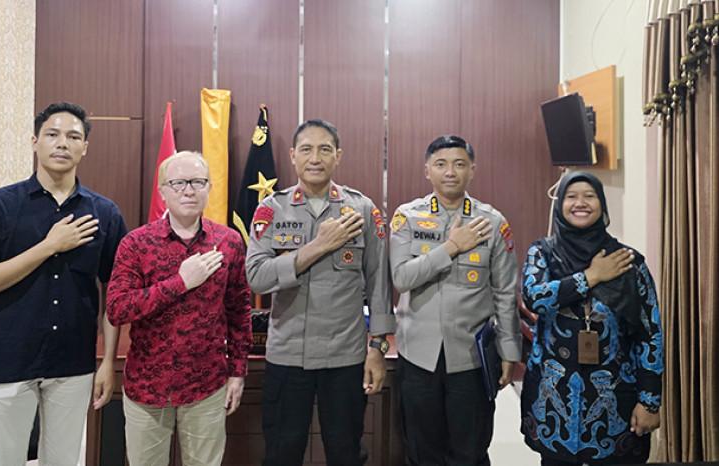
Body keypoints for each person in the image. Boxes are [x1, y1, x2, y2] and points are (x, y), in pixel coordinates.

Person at [0, 101, 127, 465]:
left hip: (73, 364)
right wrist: (49, 247)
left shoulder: (104, 213)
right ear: (35, 142)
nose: (62, 143)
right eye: (52, 134)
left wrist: (108, 361)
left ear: (85, 147)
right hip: (8, 361)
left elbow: (115, 293)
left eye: (73, 137)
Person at [245, 119, 395, 466]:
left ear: (338, 156)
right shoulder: (272, 209)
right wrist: (317, 247)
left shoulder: (362, 209)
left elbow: (379, 284)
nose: (315, 158)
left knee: (346, 454)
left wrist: (377, 348)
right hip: (288, 355)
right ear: (292, 156)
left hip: (344, 357)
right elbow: (256, 277)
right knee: (282, 454)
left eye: (325, 149)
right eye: (307, 149)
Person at [106, 151, 252, 466]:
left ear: (209, 187)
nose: (188, 190)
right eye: (178, 183)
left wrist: (237, 373)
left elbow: (240, 313)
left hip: (206, 386)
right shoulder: (136, 244)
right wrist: (181, 282)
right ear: (162, 190)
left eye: (197, 182)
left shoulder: (228, 242)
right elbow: (117, 309)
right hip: (147, 388)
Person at [389, 134, 521, 466]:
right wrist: (451, 248)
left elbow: (505, 292)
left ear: (472, 170)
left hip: (471, 358)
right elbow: (401, 278)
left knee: (470, 451)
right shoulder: (408, 217)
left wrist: (509, 351)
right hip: (418, 356)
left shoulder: (492, 222)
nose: (450, 172)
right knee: (422, 451)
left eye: (459, 164)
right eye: (441, 164)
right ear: (427, 171)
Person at [520, 171, 663, 466]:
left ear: (602, 204)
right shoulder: (542, 253)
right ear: (560, 203)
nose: (580, 203)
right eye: (571, 196)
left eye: (589, 196)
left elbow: (650, 334)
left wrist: (649, 401)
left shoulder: (627, 261)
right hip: (553, 400)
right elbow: (534, 297)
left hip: (614, 398)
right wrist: (591, 276)